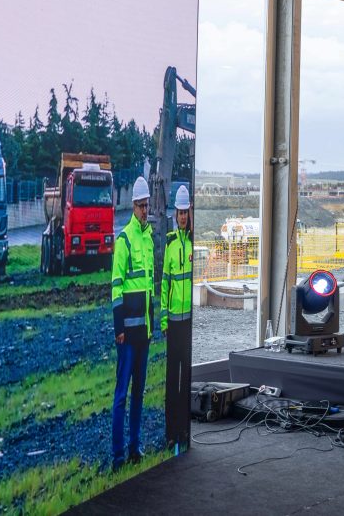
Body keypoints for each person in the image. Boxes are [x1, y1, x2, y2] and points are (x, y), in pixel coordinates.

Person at [111, 176, 155, 471]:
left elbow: (149, 287)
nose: (144, 210)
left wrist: (151, 328)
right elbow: (116, 288)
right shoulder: (124, 240)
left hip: (144, 334)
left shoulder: (148, 239)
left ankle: (135, 448)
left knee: (138, 393)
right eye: (140, 206)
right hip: (128, 335)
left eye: (146, 205)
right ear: (133, 206)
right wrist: (119, 329)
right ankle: (117, 457)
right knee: (121, 397)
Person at [161, 185, 193, 453]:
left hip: (189, 323)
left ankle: (184, 429)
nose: (183, 216)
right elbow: (164, 285)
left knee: (186, 379)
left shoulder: (194, 243)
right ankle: (171, 432)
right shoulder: (170, 245)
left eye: (186, 212)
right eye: (180, 212)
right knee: (172, 380)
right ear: (175, 214)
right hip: (173, 323)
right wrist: (163, 320)